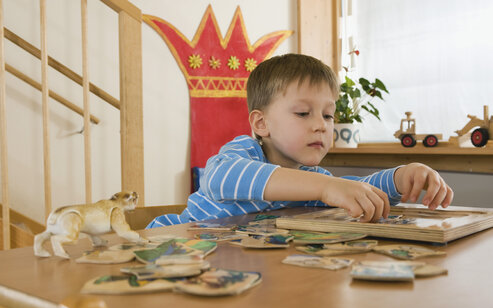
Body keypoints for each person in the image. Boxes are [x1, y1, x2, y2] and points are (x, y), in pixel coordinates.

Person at [147, 53, 453, 228]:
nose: (321, 125)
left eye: (329, 115)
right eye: (304, 113)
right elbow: (219, 178)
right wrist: (327, 187)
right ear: (261, 123)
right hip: (170, 243)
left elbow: (354, 188)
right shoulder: (244, 151)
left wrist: (402, 177)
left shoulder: (312, 179)